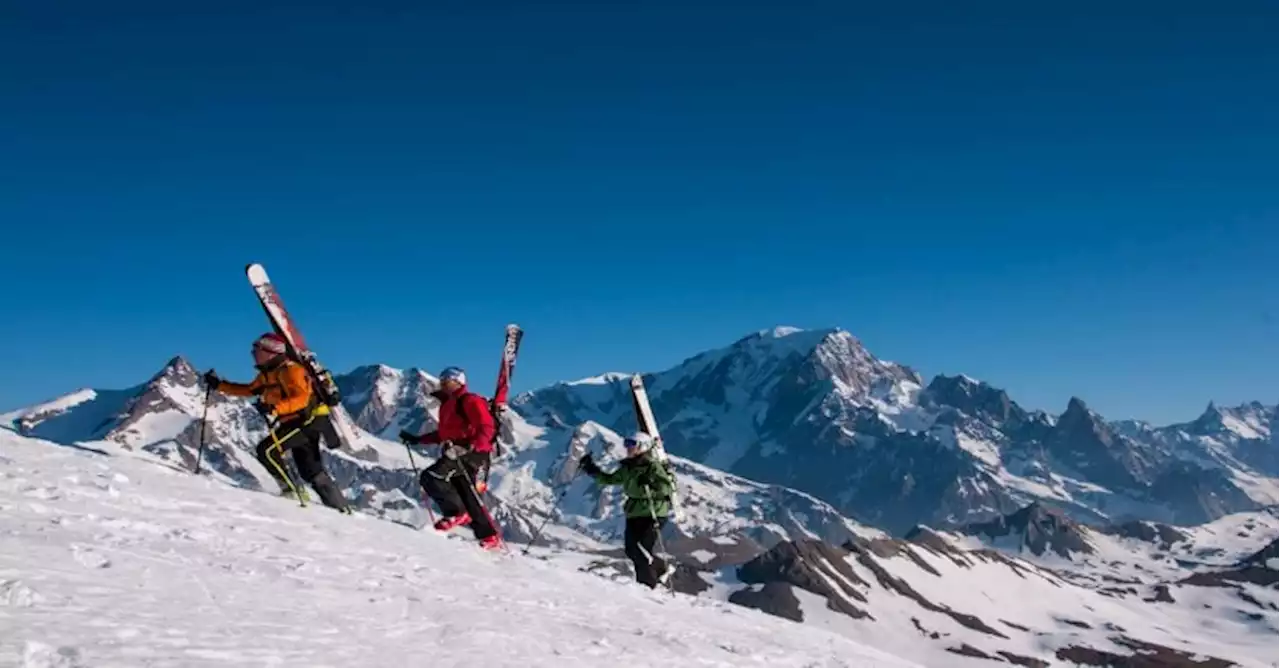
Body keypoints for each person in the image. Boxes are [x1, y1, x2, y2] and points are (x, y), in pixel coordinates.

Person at [203, 332, 350, 513]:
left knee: (267, 450)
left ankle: (292, 491)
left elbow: (301, 398)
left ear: (270, 352)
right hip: (297, 422)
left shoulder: (291, 370)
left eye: (257, 352)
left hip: (307, 421)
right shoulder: (268, 374)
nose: (253, 355)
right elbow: (250, 390)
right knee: (310, 470)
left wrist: (275, 409)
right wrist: (219, 386)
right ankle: (341, 509)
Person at [399, 366, 502, 550]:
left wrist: (471, 446)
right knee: (468, 493)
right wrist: (418, 440)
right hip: (457, 451)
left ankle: (457, 513)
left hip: (473, 454)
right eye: (442, 380)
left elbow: (486, 426)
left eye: (447, 380)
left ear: (458, 382)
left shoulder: (469, 400)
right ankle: (489, 537)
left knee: (432, 477)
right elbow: (444, 433)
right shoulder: (448, 405)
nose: (443, 383)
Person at [578, 432, 677, 589]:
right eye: (627, 444)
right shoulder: (628, 468)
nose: (628, 448)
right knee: (632, 549)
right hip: (634, 512)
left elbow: (665, 488)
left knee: (642, 549)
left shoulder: (652, 467)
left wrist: (650, 484)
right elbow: (610, 479)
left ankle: (647, 584)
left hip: (653, 512)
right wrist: (592, 470)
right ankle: (659, 569)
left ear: (642, 447)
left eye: (632, 444)